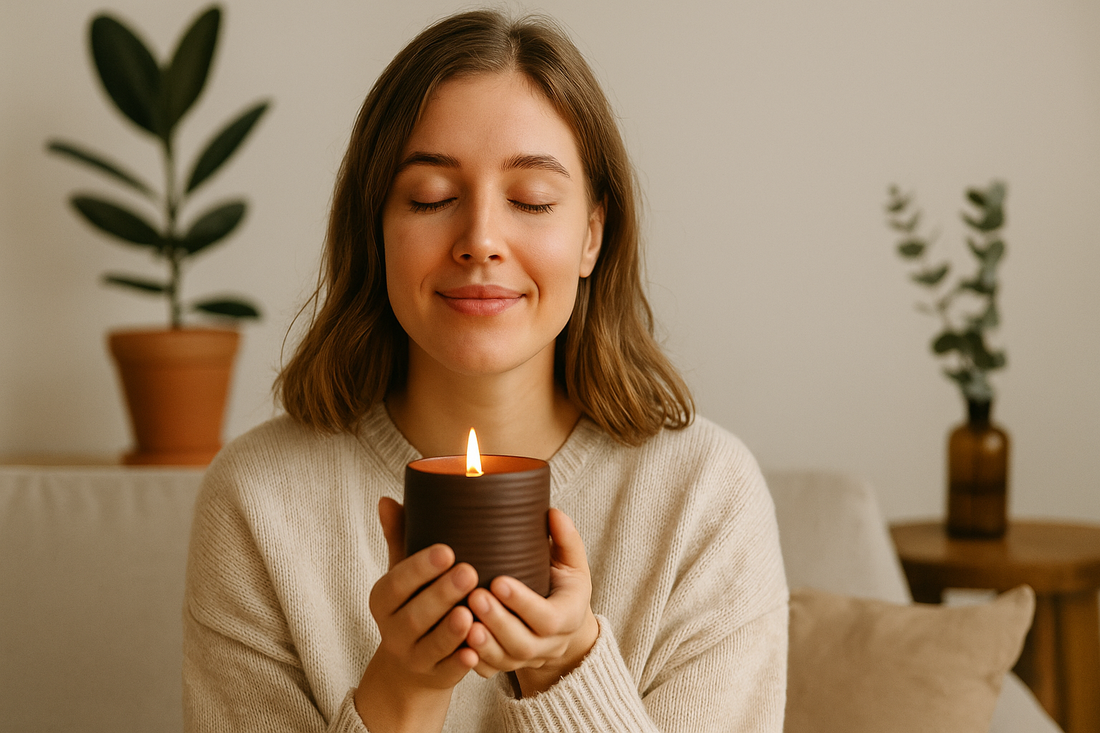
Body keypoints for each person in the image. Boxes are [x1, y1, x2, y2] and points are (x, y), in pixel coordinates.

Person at [183, 9, 788, 733]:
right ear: (376, 229)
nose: (480, 241)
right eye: (431, 198)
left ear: (593, 235)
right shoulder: (258, 501)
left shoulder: (704, 499)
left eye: (531, 200)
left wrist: (566, 664)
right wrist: (402, 689)